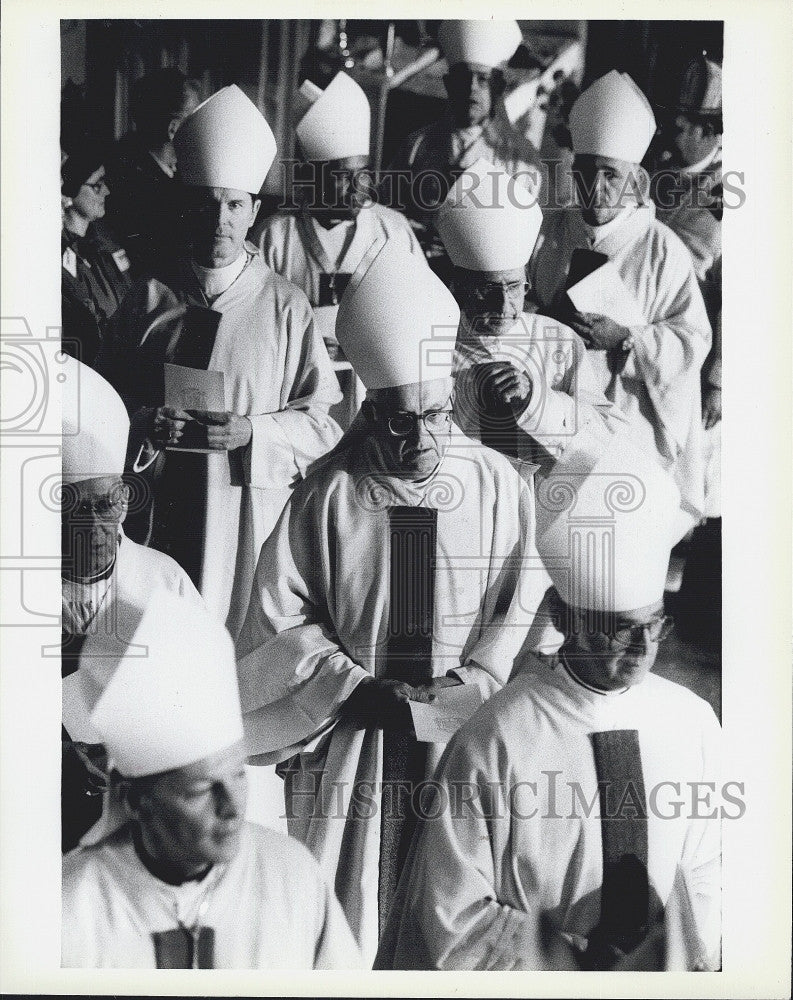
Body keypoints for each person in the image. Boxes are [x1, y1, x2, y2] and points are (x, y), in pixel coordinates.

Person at [235, 243, 545, 963]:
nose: (418, 441)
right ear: (369, 411)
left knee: (449, 903)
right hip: (354, 739)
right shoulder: (326, 494)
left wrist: (475, 680)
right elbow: (279, 619)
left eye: (434, 416)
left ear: (451, 401)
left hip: (462, 733)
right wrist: (353, 686)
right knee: (344, 916)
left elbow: (521, 606)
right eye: (397, 421)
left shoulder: (497, 485)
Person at [376, 436, 721, 971]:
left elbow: (707, 869)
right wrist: (572, 955)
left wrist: (682, 956)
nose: (644, 649)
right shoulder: (498, 736)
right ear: (565, 620)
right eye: (620, 630)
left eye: (654, 626)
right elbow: (453, 914)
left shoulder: (692, 721)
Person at [97, 85, 343, 640]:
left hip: (245, 519)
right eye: (206, 203)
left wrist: (252, 432)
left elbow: (323, 424)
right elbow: (102, 402)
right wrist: (141, 423)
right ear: (186, 206)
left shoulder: (285, 306)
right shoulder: (147, 298)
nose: (220, 221)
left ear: (255, 211)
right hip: (154, 509)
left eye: (234, 205)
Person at [62, 594, 362, 969]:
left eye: (238, 774)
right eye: (201, 789)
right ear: (137, 800)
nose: (231, 806)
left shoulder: (291, 875)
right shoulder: (70, 904)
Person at [527, 70, 712, 530]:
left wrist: (626, 337)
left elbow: (692, 340)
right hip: (556, 416)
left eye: (610, 174)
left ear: (637, 181)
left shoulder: (662, 249)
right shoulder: (550, 230)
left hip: (630, 421)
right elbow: (523, 300)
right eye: (585, 173)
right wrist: (545, 320)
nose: (595, 187)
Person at [61, 355, 202, 852]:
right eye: (74, 509)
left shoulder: (163, 581)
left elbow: (202, 705)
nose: (97, 525)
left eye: (108, 503)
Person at [437, 157, 627, 473]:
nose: (503, 304)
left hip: (541, 506)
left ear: (527, 283)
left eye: (513, 287)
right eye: (487, 289)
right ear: (459, 287)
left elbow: (609, 433)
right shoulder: (434, 343)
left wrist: (535, 401)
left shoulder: (556, 341)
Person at [256, 71, 422, 351]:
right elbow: (254, 321)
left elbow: (421, 311)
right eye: (343, 175)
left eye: (364, 173)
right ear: (314, 175)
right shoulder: (276, 236)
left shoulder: (393, 230)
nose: (359, 186)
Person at [387, 20, 542, 236]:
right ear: (449, 84)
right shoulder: (416, 146)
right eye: (463, 77)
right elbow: (388, 215)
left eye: (483, 79)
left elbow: (528, 233)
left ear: (498, 87)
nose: (471, 88)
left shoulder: (521, 159)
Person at [105, 69, 202, 275]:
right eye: (195, 118)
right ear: (173, 129)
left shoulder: (182, 170)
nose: (202, 127)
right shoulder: (127, 179)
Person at [61, 145, 133, 366]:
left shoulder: (104, 239)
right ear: (69, 191)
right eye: (96, 185)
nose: (106, 191)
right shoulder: (59, 251)